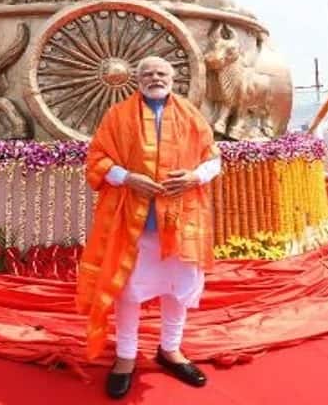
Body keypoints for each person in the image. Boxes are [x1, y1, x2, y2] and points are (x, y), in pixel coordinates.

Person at [76, 55, 222, 399]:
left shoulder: (190, 114)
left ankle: (170, 349)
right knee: (128, 291)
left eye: (161, 72)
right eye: (147, 73)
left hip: (181, 220)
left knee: (177, 289)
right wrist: (127, 177)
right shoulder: (118, 116)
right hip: (132, 223)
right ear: (136, 80)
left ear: (172, 78)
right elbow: (97, 159)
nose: (154, 77)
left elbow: (213, 159)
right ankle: (125, 357)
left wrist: (193, 177)